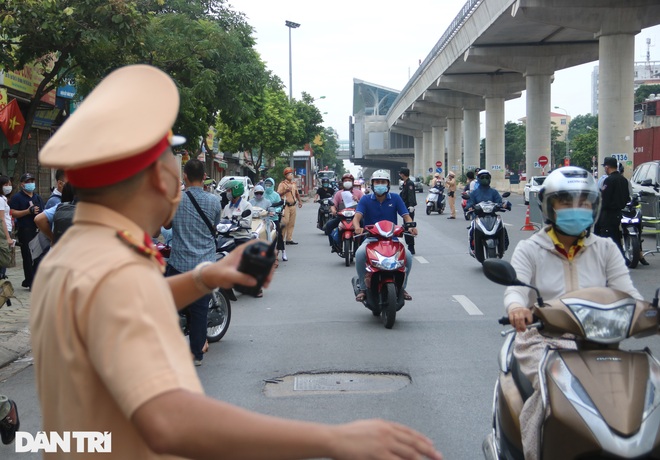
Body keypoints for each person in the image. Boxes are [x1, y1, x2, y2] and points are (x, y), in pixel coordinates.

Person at [30, 64, 442, 460]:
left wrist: (208, 275)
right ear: (161, 178)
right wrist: (333, 438)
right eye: (170, 162)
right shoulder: (114, 268)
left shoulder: (76, 253)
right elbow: (170, 421)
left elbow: (131, 304)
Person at [504, 166, 642, 460]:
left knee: (642, 390)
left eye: (584, 202)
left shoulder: (605, 248)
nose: (575, 209)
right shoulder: (530, 249)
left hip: (600, 341)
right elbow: (516, 288)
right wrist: (517, 307)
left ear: (594, 207)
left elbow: (629, 294)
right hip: (543, 340)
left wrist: (645, 313)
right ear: (550, 207)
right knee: (553, 395)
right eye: (565, 202)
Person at [166, 158, 221, 366]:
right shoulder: (214, 201)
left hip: (179, 264)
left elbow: (168, 225)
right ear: (205, 177)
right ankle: (196, 354)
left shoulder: (176, 200)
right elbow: (215, 224)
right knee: (199, 311)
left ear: (185, 176)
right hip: (204, 265)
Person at [353, 170, 418, 302]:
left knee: (408, 257)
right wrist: (357, 228)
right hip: (371, 239)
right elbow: (357, 217)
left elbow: (406, 216)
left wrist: (411, 226)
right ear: (372, 184)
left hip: (392, 238)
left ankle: (402, 287)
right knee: (360, 254)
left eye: (383, 182)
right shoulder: (365, 199)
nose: (380, 185)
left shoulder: (395, 198)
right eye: (377, 182)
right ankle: (363, 288)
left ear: (388, 184)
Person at [9, 172, 45, 289]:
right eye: (27, 182)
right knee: (28, 256)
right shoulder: (17, 197)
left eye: (32, 181)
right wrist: (27, 211)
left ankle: (37, 279)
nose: (30, 184)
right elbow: (13, 212)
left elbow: (43, 212)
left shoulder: (37, 197)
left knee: (38, 256)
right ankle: (30, 281)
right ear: (22, 184)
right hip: (25, 229)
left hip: (38, 230)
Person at [594, 156, 630, 253]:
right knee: (615, 238)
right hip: (618, 213)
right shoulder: (623, 180)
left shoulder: (609, 180)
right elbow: (627, 197)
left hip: (607, 214)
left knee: (606, 239)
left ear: (607, 167)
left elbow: (604, 199)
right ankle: (620, 258)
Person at [466, 170, 504, 252]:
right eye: (482, 177)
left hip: (493, 216)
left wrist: (504, 205)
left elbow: (500, 202)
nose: (485, 179)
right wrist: (469, 207)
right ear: (478, 179)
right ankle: (473, 248)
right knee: (472, 229)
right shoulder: (474, 193)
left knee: (502, 227)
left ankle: (503, 245)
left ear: (490, 179)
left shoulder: (494, 192)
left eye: (486, 177)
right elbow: (469, 203)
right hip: (478, 217)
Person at [325, 173, 364, 251]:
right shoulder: (338, 194)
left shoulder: (359, 193)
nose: (347, 182)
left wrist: (358, 200)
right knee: (329, 225)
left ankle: (362, 245)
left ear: (352, 182)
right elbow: (333, 204)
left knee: (365, 226)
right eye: (345, 180)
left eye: (349, 180)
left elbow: (365, 205)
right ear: (342, 182)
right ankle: (334, 245)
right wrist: (333, 210)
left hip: (356, 217)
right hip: (342, 217)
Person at [221, 179, 253, 244]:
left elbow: (247, 223)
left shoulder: (246, 205)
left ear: (236, 191)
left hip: (241, 236)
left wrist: (236, 223)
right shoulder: (227, 207)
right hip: (228, 236)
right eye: (227, 191)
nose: (227, 193)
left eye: (229, 191)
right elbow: (222, 220)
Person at [277, 167, 302, 245]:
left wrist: (300, 201)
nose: (291, 175)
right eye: (289, 174)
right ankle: (282, 239)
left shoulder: (294, 184)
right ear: (286, 175)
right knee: (285, 222)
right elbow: (278, 194)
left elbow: (297, 193)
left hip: (293, 205)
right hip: (286, 206)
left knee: (291, 223)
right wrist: (286, 191)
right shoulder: (282, 184)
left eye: (291, 174)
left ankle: (289, 239)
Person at [263, 177, 286, 262]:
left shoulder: (276, 195)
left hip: (274, 218)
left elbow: (280, 206)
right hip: (263, 218)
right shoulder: (263, 194)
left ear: (273, 185)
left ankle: (283, 252)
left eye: (269, 184)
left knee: (278, 234)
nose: (268, 186)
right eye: (266, 184)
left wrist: (275, 211)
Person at [398, 168, 417, 254]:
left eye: (400, 174)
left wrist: (411, 205)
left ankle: (411, 247)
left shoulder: (410, 183)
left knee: (409, 227)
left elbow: (411, 195)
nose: (400, 175)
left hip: (409, 208)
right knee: (406, 227)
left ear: (403, 174)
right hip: (405, 208)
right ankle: (409, 245)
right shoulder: (405, 183)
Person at [0, 176, 14, 279]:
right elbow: (2, 219)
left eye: (9, 184)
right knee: (3, 258)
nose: (8, 187)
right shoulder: (0, 200)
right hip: (4, 232)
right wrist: (8, 237)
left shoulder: (4, 199)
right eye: (5, 185)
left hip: (6, 230)